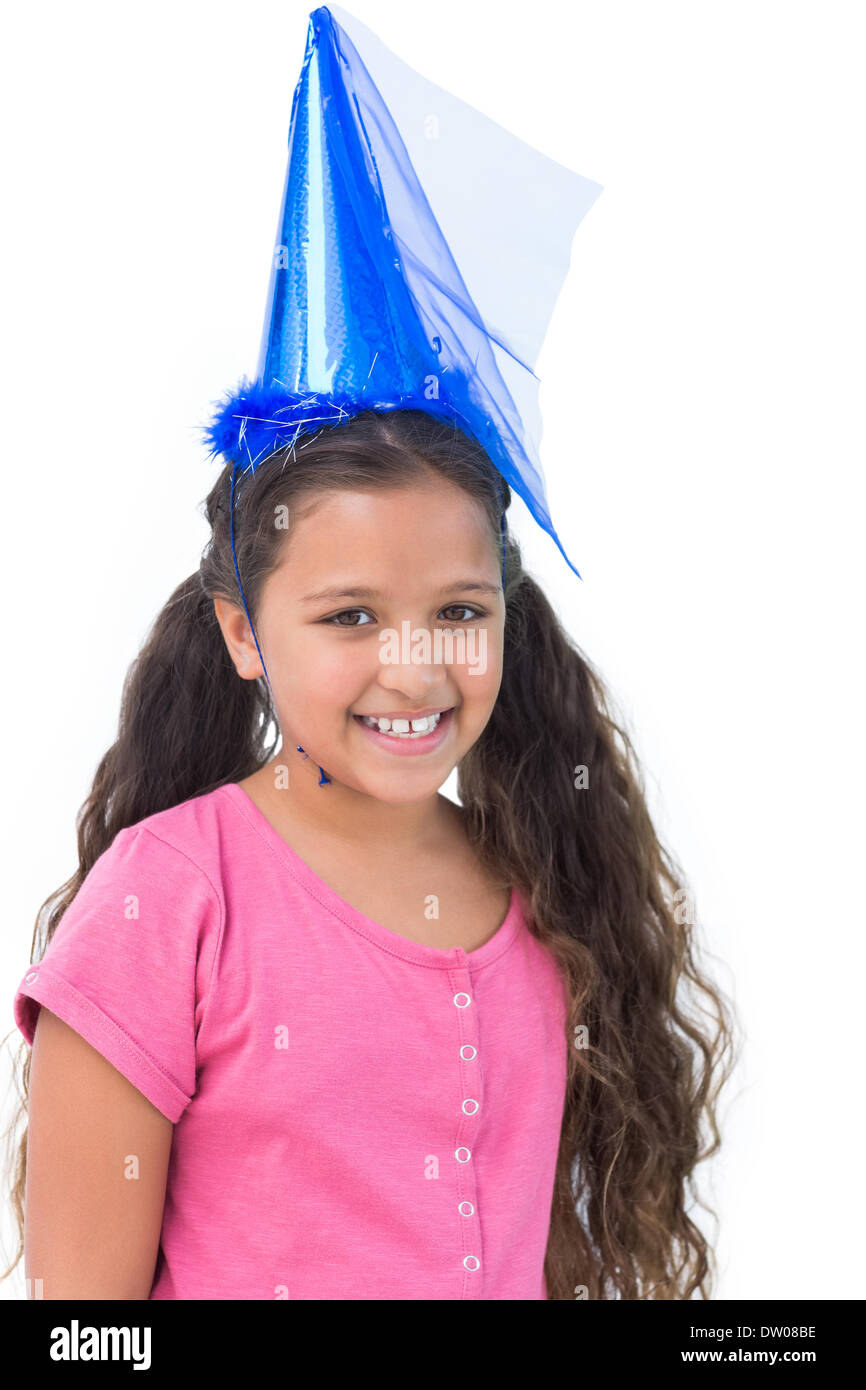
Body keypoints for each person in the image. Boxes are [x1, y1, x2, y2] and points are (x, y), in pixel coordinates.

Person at [2, 6, 736, 1301]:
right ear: (241, 628)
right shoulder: (168, 903)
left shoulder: (544, 887)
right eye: (347, 616)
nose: (412, 662)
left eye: (456, 609)